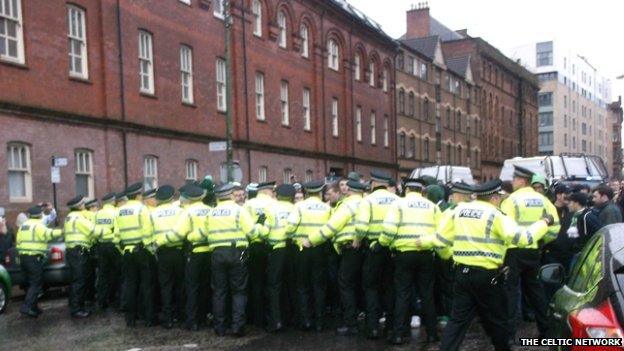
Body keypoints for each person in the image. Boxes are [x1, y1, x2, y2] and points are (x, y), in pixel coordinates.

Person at [435, 180, 555, 351]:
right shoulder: (496, 215)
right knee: (497, 321)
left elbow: (440, 241)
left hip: (462, 273)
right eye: (498, 197)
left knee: (457, 322)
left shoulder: (458, 211)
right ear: (493, 198)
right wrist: (544, 222)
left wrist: (450, 256)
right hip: (488, 277)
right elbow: (523, 238)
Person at [501, 166, 560, 343]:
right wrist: (542, 241)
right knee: (536, 292)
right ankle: (546, 331)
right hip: (533, 252)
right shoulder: (542, 200)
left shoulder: (511, 200)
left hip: (513, 252)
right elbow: (555, 225)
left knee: (510, 292)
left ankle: (509, 336)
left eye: (514, 178)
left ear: (522, 181)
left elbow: (504, 228)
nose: (512, 181)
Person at [380, 178, 440, 345]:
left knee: (402, 294)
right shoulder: (432, 206)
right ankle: (432, 333)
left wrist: (385, 243)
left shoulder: (398, 204)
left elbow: (389, 229)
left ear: (406, 190)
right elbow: (440, 232)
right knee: (427, 295)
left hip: (404, 255)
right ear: (421, 191)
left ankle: (398, 334)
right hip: (426, 253)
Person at [306, 180, 366, 336]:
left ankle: (351, 324)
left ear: (348, 191)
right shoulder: (366, 202)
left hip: (349, 249)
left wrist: (311, 240)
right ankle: (369, 321)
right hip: (366, 248)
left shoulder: (347, 205)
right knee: (363, 285)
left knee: (345, 285)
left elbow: (332, 227)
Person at [207, 183, 259, 337]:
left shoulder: (212, 213)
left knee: (219, 291)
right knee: (239, 291)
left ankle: (220, 328)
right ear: (231, 195)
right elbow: (252, 232)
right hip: (237, 252)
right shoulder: (239, 211)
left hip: (217, 253)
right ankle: (237, 327)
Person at [355, 171, 399, 339]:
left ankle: (373, 327)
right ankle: (390, 326)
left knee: (371, 287)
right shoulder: (397, 200)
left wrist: (358, 239)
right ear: (386, 184)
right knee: (389, 287)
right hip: (392, 249)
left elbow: (361, 227)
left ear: (373, 183)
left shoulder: (368, 201)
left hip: (373, 249)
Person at [286, 180, 331, 332]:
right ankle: (319, 322)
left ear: (306, 192)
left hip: (302, 250)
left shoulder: (299, 206)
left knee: (302, 286)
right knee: (319, 286)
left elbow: (290, 227)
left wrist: (293, 237)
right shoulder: (327, 208)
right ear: (320, 192)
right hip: (320, 249)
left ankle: (306, 320)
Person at [116, 182, 156, 327]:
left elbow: (117, 234)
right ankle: (149, 318)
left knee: (130, 285)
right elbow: (147, 231)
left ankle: (130, 319)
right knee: (146, 285)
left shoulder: (120, 211)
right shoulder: (142, 209)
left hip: (127, 251)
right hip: (141, 250)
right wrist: (148, 247)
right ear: (138, 195)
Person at [173, 185, 211, 331]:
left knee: (192, 286)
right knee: (206, 285)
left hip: (194, 252)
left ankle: (192, 321)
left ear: (188, 198)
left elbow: (179, 233)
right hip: (209, 251)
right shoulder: (210, 210)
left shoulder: (187, 212)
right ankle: (204, 316)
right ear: (202, 196)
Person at [16, 206, 62, 317]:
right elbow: (49, 234)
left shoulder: (23, 226)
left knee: (30, 283)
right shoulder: (38, 225)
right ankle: (26, 307)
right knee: (36, 283)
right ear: (40, 215)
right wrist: (62, 231)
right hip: (34, 258)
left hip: (23, 258)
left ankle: (33, 308)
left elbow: (18, 241)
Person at [261, 184, 296, 332]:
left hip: (277, 250)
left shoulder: (271, 209)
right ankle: (292, 319)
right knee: (292, 285)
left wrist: (255, 230)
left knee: (274, 286)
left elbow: (264, 231)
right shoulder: (296, 208)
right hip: (294, 250)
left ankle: (276, 321)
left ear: (277, 195)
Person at [151, 185, 186, 329]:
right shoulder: (180, 212)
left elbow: (150, 233)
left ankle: (168, 318)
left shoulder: (152, 214)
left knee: (165, 286)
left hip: (162, 252)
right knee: (180, 284)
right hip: (178, 251)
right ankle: (181, 315)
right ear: (172, 197)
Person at [63, 195, 102, 318]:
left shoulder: (68, 217)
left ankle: (74, 304)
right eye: (83, 204)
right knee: (79, 280)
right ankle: (77, 309)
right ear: (80, 206)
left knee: (75, 280)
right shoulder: (79, 218)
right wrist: (106, 231)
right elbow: (93, 231)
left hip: (71, 251)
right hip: (79, 252)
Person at [94, 192, 120, 312]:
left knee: (103, 273)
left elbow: (94, 229)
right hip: (113, 245)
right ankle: (117, 299)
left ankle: (102, 300)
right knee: (117, 272)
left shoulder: (97, 214)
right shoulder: (116, 212)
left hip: (101, 245)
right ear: (113, 201)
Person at [567, 191, 602, 269]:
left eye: (570, 202)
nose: (568, 205)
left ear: (576, 203)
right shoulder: (577, 216)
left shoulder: (586, 217)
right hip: (577, 253)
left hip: (583, 255)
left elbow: (599, 232)